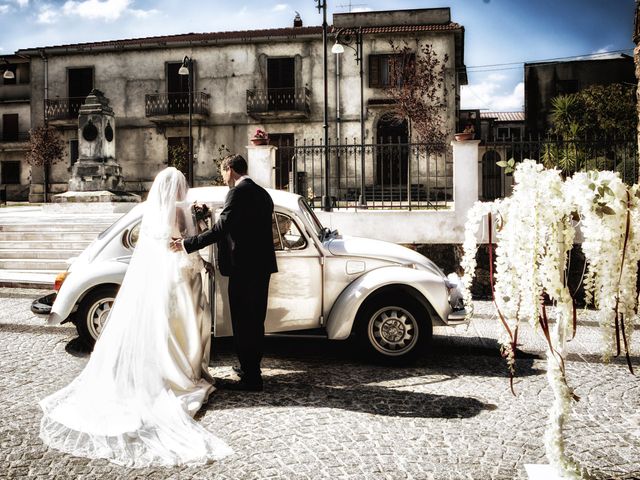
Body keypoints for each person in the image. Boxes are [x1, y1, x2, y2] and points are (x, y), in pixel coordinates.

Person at [39, 167, 232, 468]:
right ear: (176, 188)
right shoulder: (178, 213)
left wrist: (199, 219)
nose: (184, 191)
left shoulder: (161, 210)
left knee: (172, 327)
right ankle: (184, 374)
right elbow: (181, 242)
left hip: (171, 273)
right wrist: (199, 222)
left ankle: (182, 370)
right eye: (182, 186)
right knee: (184, 325)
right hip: (181, 274)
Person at [171, 154, 277, 392]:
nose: (223, 177)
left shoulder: (237, 193)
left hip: (244, 268)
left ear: (230, 169)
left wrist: (188, 244)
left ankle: (252, 379)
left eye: (223, 172)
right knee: (255, 321)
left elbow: (222, 229)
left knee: (242, 322)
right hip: (262, 268)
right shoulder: (263, 193)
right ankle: (251, 368)